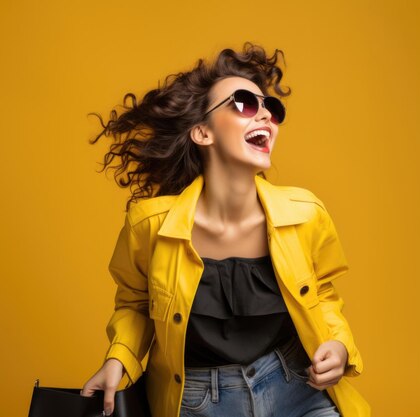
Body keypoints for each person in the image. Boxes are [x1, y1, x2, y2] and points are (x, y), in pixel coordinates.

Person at [80, 42, 370, 417]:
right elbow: (135, 305)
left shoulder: (305, 214)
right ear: (202, 133)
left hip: (298, 387)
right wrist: (118, 359)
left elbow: (324, 293)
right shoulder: (150, 226)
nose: (264, 115)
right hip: (199, 401)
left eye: (271, 108)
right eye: (244, 104)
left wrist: (340, 345)